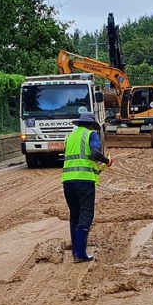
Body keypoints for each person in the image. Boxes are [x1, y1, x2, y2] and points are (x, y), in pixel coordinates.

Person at [62, 112, 112, 262]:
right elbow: (95, 153)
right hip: (84, 181)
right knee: (86, 215)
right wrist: (106, 161)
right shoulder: (91, 134)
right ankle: (80, 253)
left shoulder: (69, 137)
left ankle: (76, 254)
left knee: (74, 215)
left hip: (67, 180)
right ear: (91, 125)